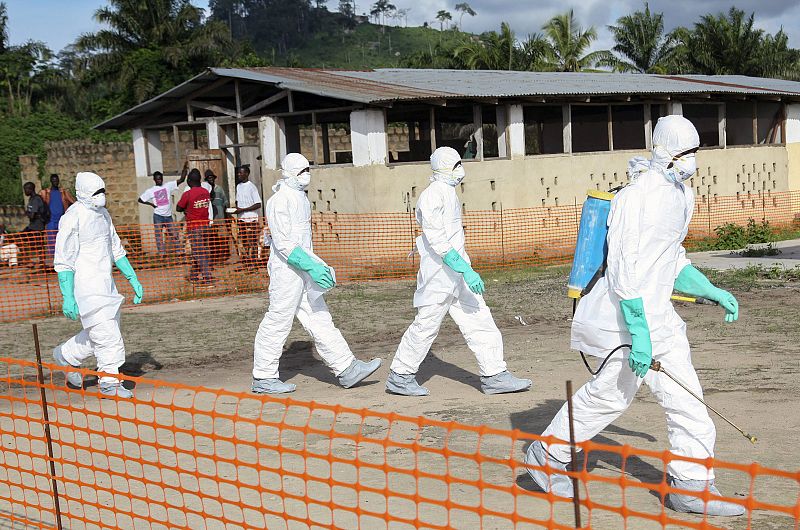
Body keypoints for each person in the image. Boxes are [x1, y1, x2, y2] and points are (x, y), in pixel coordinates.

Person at [525, 115, 744, 517]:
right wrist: (640, 333)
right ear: (667, 151)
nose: (694, 160)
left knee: (687, 399)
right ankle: (547, 453)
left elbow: (672, 259)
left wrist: (711, 290)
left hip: (659, 318)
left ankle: (691, 486)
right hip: (622, 319)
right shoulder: (635, 197)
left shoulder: (681, 195)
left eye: (696, 152)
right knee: (611, 395)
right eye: (688, 152)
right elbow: (626, 272)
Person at [386, 147, 531, 396]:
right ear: (443, 166)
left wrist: (465, 270)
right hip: (438, 275)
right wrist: (465, 270)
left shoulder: (448, 193)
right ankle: (400, 375)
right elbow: (438, 241)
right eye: (455, 165)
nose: (460, 170)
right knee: (426, 325)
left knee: (480, 319)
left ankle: (494, 375)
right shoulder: (432, 196)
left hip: (459, 272)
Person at [252, 153, 381, 394]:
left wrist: (315, 265)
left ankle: (346, 368)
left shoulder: (300, 197)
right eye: (301, 171)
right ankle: (263, 376)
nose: (306, 175)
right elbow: (283, 243)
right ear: (288, 173)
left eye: (307, 169)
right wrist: (311, 265)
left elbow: (303, 241)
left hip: (303, 268)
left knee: (319, 316)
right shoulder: (280, 200)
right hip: (287, 270)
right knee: (278, 319)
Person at [51, 171, 144, 398]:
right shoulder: (73, 218)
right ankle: (109, 383)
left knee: (99, 333)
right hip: (87, 289)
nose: (101, 196)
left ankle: (66, 355)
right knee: (108, 337)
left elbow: (115, 248)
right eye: (96, 192)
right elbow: (64, 260)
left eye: (103, 191)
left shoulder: (104, 215)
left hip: (107, 287)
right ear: (82, 194)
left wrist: (133, 279)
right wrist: (68, 296)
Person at [177, 169, 213, 285]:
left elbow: (178, 208)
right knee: (200, 251)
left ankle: (208, 277)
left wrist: (187, 209)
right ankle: (194, 275)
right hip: (205, 225)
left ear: (189, 181)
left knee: (198, 252)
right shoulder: (205, 192)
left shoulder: (188, 194)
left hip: (194, 226)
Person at [138, 168, 186, 255]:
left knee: (174, 234)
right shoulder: (151, 191)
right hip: (158, 216)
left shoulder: (168, 186)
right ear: (154, 180)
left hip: (168, 216)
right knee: (159, 236)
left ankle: (179, 251)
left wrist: (185, 168)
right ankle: (162, 253)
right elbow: (140, 199)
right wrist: (151, 204)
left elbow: (182, 179)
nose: (159, 180)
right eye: (157, 179)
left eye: (160, 178)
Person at [234, 164, 262, 269]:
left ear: (246, 174)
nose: (239, 174)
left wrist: (243, 209)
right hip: (241, 219)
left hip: (251, 219)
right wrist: (236, 209)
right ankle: (248, 262)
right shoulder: (238, 186)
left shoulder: (252, 187)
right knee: (244, 242)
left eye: (241, 172)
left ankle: (254, 264)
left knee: (252, 242)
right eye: (238, 172)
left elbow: (258, 204)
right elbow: (238, 201)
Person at [40, 173, 75, 256]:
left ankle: (64, 257)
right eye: (54, 180)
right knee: (52, 242)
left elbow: (73, 202)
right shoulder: (46, 193)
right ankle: (53, 259)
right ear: (51, 181)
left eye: (57, 180)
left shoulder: (63, 192)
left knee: (63, 240)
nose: (55, 182)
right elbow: (40, 202)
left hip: (62, 220)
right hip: (51, 221)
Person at [22, 182, 48, 268]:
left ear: (30, 189)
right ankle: (30, 261)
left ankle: (41, 264)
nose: (25, 191)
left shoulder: (36, 199)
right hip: (32, 226)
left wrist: (28, 213)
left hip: (37, 226)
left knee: (39, 245)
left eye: (25, 189)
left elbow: (32, 215)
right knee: (23, 239)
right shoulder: (31, 199)